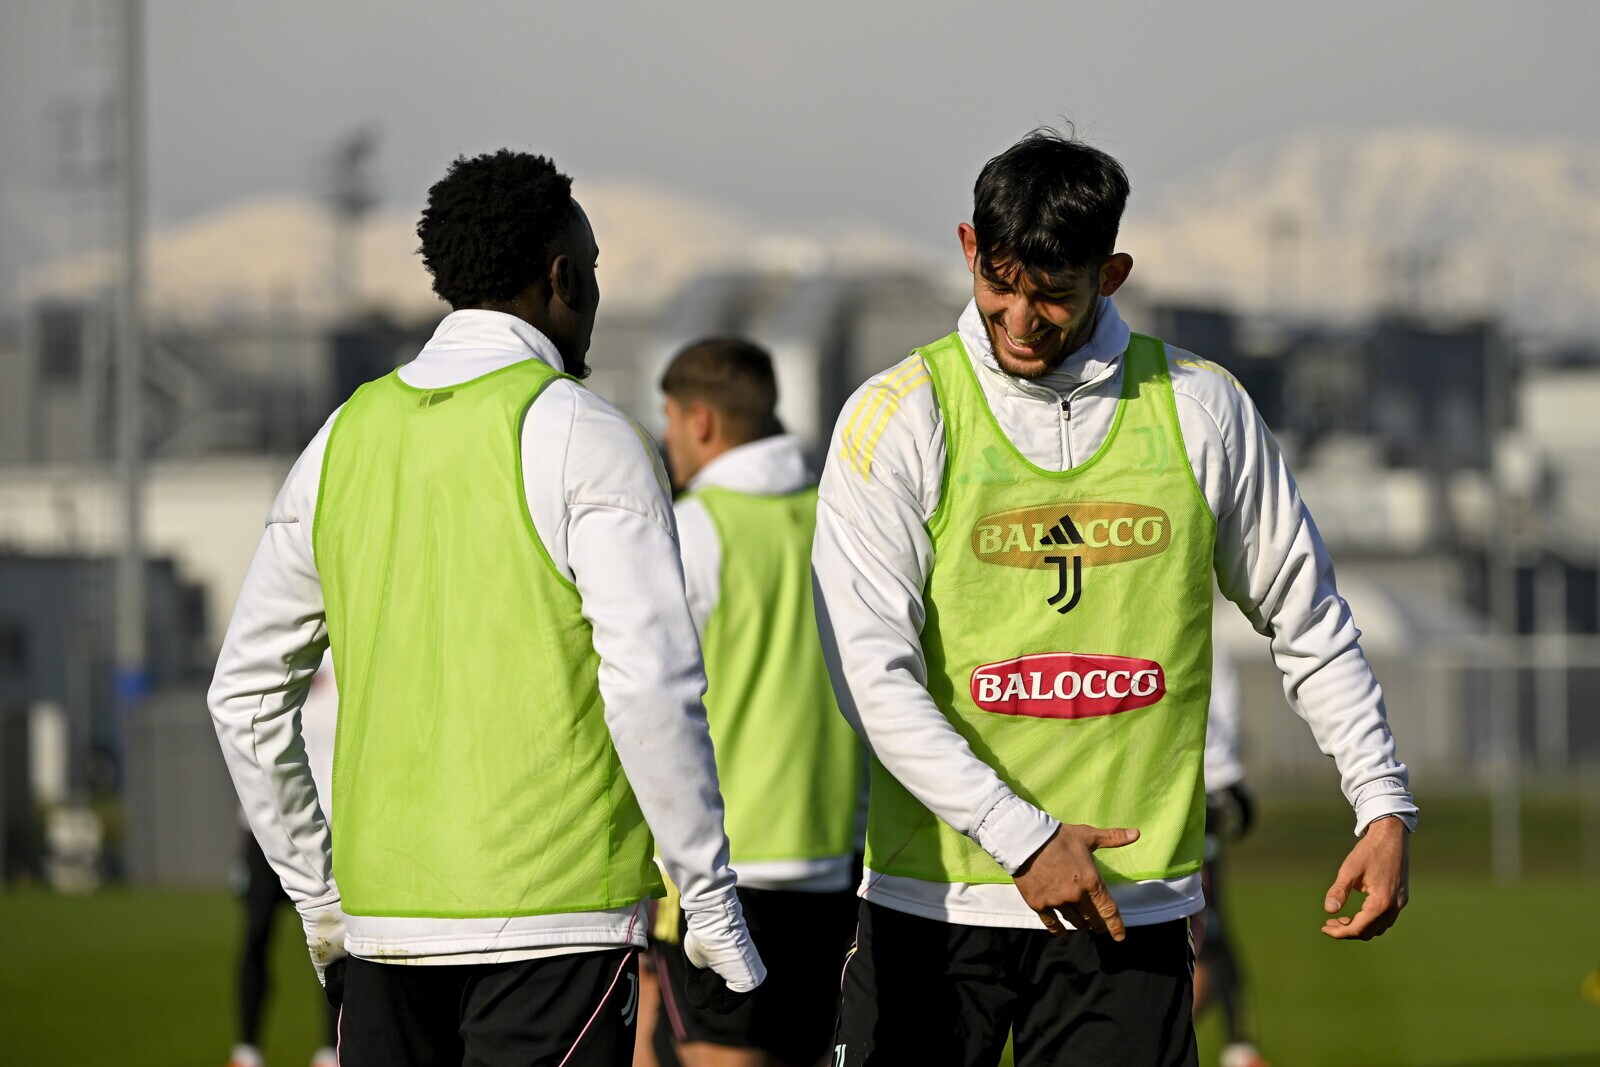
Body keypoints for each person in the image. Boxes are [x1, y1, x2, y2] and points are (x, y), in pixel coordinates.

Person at [813, 129, 1416, 1067]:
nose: (1020, 318)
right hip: (934, 902)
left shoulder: (1202, 408)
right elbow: (871, 679)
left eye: (1053, 292)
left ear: (1112, 273)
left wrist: (1381, 800)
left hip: (1130, 907)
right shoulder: (898, 414)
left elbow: (1307, 616)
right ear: (969, 248)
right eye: (1000, 282)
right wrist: (1024, 837)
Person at [209, 149, 764, 1067]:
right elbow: (649, 688)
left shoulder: (339, 439)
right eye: (593, 271)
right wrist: (708, 903)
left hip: (385, 935)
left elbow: (243, 695)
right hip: (559, 926)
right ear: (561, 277)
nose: (596, 294)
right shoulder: (592, 437)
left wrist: (320, 900)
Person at [653, 339, 864, 1067]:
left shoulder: (692, 528)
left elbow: (647, 696)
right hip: (837, 861)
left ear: (701, 421)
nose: (667, 437)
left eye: (668, 419)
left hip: (723, 871)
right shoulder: (837, 521)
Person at [226, 656, 339, 1067]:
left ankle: (330, 1051)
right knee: (255, 933)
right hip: (266, 829)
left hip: (329, 827)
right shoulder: (275, 651)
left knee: (331, 941)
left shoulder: (347, 649)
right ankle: (246, 1051)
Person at [1193, 646, 1270, 1067]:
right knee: (1202, 932)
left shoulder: (1212, 637)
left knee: (1209, 930)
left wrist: (1228, 780)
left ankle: (1240, 1046)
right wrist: (1230, 779)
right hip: (1184, 796)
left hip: (1200, 796)